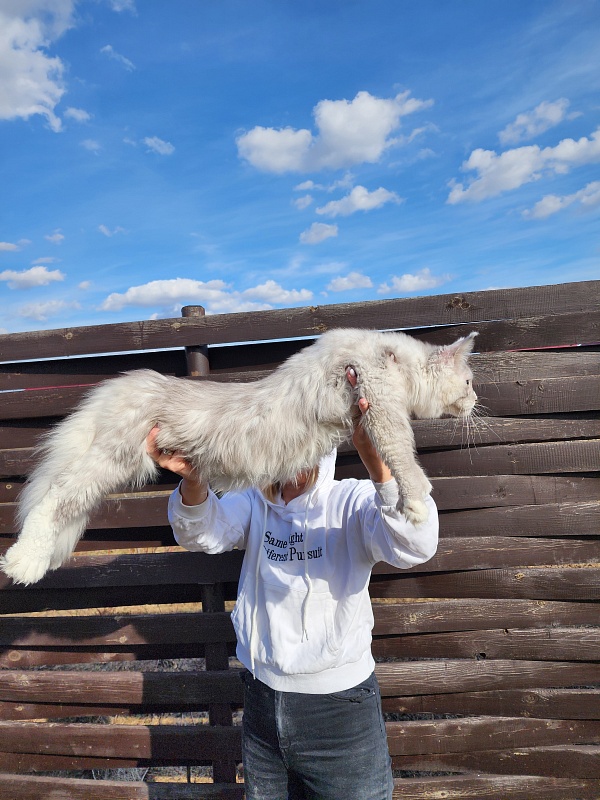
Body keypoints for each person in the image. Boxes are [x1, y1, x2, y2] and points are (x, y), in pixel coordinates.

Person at [146, 367, 439, 800]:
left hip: (339, 711)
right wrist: (195, 477)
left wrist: (378, 462)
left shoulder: (352, 500)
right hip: (263, 702)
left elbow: (417, 543)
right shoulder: (250, 500)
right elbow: (201, 533)